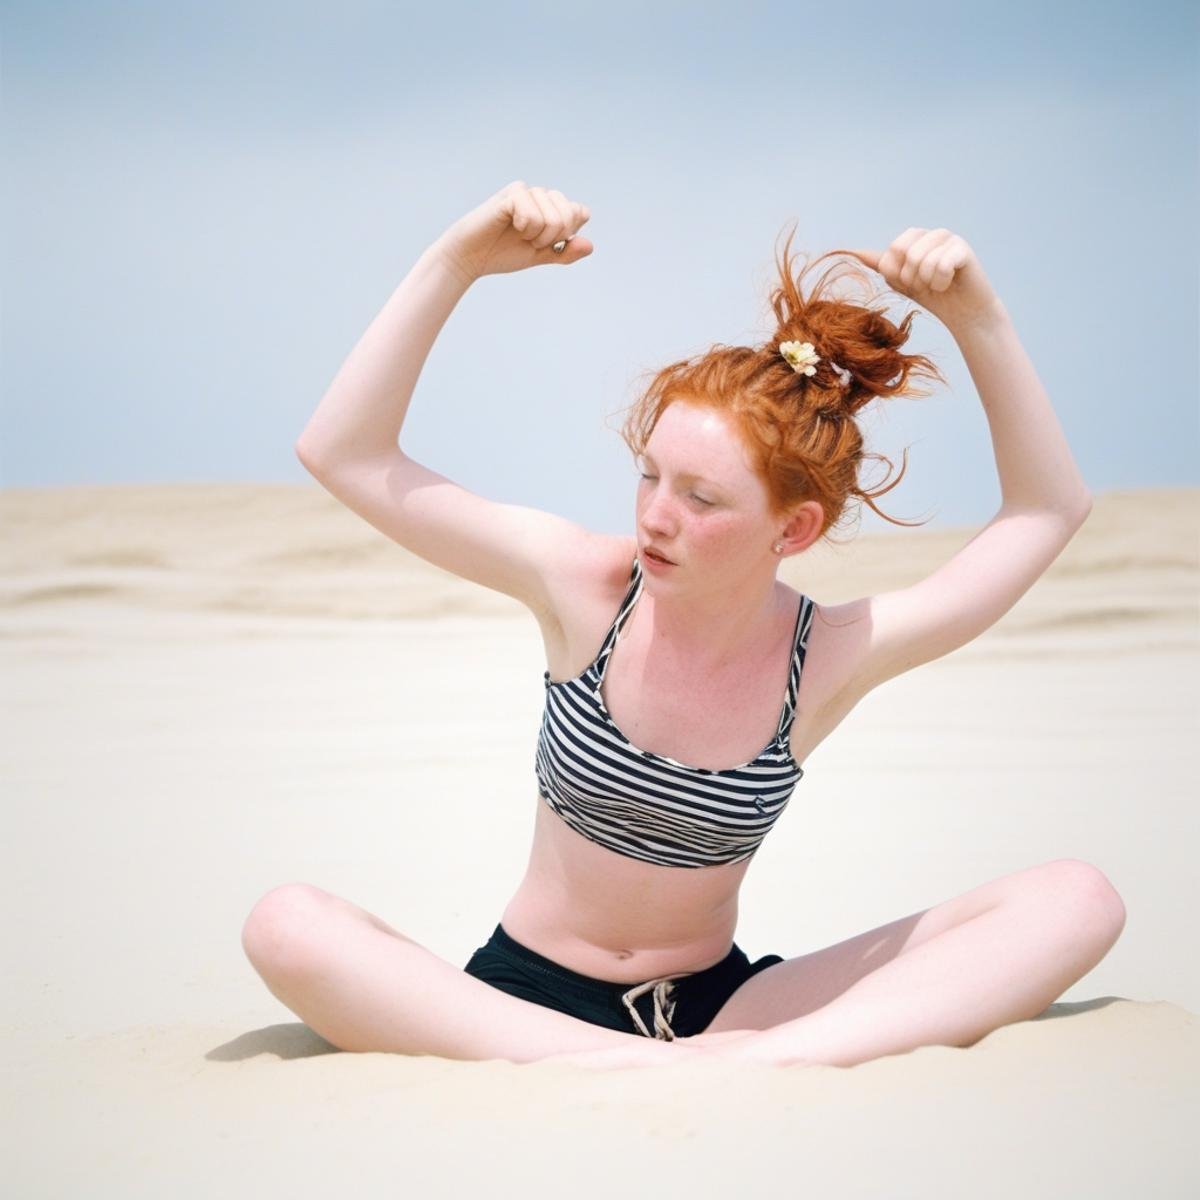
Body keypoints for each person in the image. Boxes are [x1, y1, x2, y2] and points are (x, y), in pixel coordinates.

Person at [240, 181, 1126, 1070]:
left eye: (700, 497)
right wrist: (457, 262)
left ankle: (742, 1063)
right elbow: (343, 450)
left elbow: (1047, 511)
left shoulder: (827, 658)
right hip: (521, 1002)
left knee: (1079, 900)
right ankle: (652, 1069)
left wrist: (980, 319)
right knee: (287, 927)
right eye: (649, 476)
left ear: (794, 528)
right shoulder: (587, 587)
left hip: (726, 1012)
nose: (656, 517)